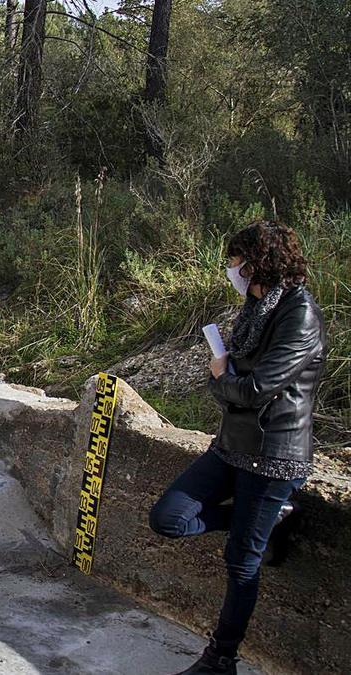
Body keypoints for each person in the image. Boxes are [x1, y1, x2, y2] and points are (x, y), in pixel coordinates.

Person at [148, 222, 326, 675]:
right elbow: (230, 387)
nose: (229, 269)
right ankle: (274, 521)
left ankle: (220, 659)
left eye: (234, 260)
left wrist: (222, 377)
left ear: (256, 262)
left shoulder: (298, 314)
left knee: (241, 562)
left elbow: (257, 389)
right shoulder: (254, 308)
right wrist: (224, 378)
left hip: (275, 455)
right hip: (230, 446)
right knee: (168, 518)